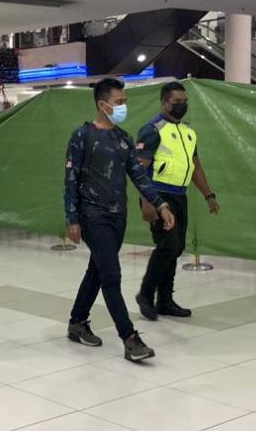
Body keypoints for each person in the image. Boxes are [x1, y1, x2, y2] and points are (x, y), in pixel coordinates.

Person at [64, 78, 175, 363]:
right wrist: (71, 218)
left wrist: (160, 204)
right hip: (92, 215)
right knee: (111, 276)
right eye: (119, 102)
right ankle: (130, 338)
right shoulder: (82, 135)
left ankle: (77, 322)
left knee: (97, 271)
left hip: (117, 217)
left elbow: (139, 176)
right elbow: (70, 179)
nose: (123, 106)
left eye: (125, 101)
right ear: (103, 105)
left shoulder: (123, 139)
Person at [134, 81, 220, 320]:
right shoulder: (152, 129)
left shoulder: (188, 132)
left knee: (176, 248)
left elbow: (195, 167)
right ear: (164, 103)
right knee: (167, 246)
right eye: (176, 103)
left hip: (180, 195)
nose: (181, 106)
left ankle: (165, 300)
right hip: (158, 195)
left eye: (184, 103)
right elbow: (139, 169)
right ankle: (146, 293)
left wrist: (208, 195)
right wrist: (147, 201)